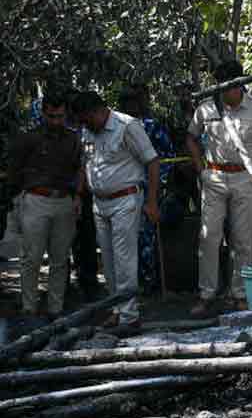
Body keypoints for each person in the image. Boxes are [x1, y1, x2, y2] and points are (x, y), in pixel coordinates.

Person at [186, 60, 252, 315]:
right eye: (219, 85)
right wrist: (200, 169)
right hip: (214, 177)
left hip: (245, 178)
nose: (224, 91)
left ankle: (240, 294)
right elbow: (191, 137)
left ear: (239, 84)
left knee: (244, 240)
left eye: (228, 85)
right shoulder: (206, 108)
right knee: (209, 237)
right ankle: (206, 294)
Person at [72, 90, 160, 335]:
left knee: (124, 259)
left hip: (126, 200)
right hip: (99, 203)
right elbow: (86, 163)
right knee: (108, 260)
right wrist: (79, 194)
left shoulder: (127, 126)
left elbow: (152, 161)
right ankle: (116, 309)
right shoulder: (88, 130)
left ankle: (130, 317)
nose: (85, 125)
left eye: (87, 119)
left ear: (98, 111)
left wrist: (152, 201)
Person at [7, 89, 82, 319]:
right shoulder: (29, 138)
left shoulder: (73, 139)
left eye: (60, 116)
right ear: (43, 113)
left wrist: (77, 196)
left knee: (60, 259)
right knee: (32, 258)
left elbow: (80, 168)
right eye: (51, 116)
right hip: (35, 199)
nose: (56, 121)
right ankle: (29, 307)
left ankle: (55, 309)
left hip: (64, 201)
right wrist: (17, 200)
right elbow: (14, 170)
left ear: (66, 114)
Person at [120, 84, 175, 294]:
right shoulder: (117, 126)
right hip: (123, 191)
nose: (130, 107)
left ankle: (149, 281)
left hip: (148, 191)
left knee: (147, 238)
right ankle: (130, 284)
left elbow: (167, 156)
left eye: (133, 102)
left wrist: (157, 184)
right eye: (126, 103)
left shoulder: (151, 126)